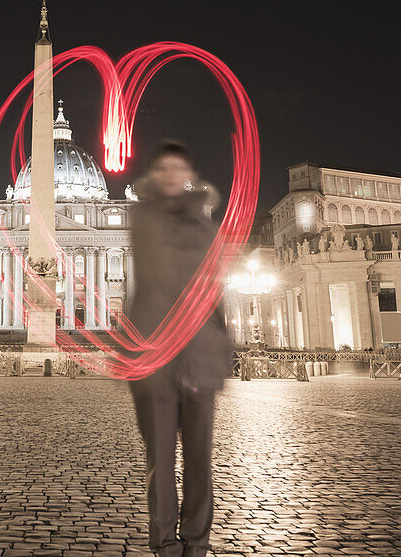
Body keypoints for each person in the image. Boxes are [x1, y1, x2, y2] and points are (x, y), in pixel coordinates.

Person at [126, 139, 231, 557]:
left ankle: (196, 543)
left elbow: (215, 288)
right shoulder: (142, 220)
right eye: (163, 168)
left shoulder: (205, 223)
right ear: (155, 175)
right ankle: (167, 544)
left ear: (189, 175)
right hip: (158, 355)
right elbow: (159, 282)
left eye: (179, 168)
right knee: (162, 461)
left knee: (200, 459)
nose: (172, 175)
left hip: (200, 352)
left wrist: (220, 343)